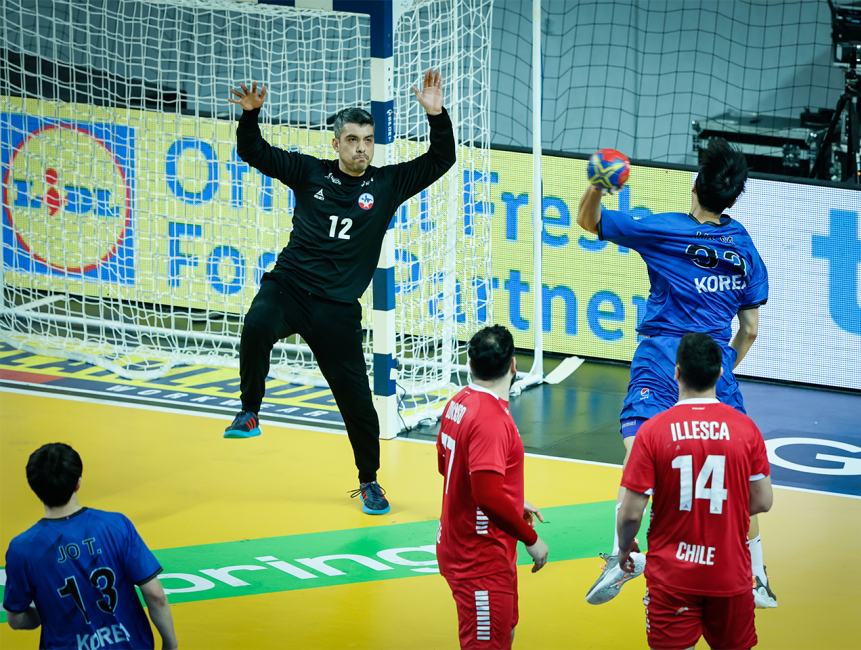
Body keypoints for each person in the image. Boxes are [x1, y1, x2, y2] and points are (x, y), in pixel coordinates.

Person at [224, 69, 456, 515]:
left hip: (336, 311)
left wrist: (436, 114)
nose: (361, 148)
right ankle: (250, 410)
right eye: (352, 140)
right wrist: (251, 117)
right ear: (336, 144)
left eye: (368, 140)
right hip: (289, 287)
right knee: (255, 324)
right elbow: (252, 151)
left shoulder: (387, 185)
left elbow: (440, 159)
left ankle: (369, 481)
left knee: (359, 404)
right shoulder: (309, 172)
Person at [577, 138, 776, 607]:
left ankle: (626, 557)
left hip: (660, 362)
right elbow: (749, 330)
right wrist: (720, 370)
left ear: (694, 185)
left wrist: (597, 186)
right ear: (733, 196)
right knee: (736, 476)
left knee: (639, 461)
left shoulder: (665, 230)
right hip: (714, 370)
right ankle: (759, 574)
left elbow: (590, 221)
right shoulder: (744, 245)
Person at [616, 332, 773, 650]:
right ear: (719, 374)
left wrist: (624, 547)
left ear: (676, 372)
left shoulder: (653, 431)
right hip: (729, 575)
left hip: (672, 578)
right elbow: (763, 501)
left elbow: (631, 512)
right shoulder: (746, 429)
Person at [435, 324, 549, 649]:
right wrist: (531, 539)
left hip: (474, 546)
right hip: (479, 557)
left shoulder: (459, 402)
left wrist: (511, 499)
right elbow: (485, 494)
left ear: (470, 364)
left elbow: (449, 467)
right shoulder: (491, 420)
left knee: (503, 632)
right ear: (513, 365)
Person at [3, 443, 177, 650]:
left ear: (34, 486)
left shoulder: (21, 548)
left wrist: (46, 610)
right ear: (78, 482)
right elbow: (156, 596)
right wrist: (170, 645)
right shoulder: (116, 525)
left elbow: (17, 619)